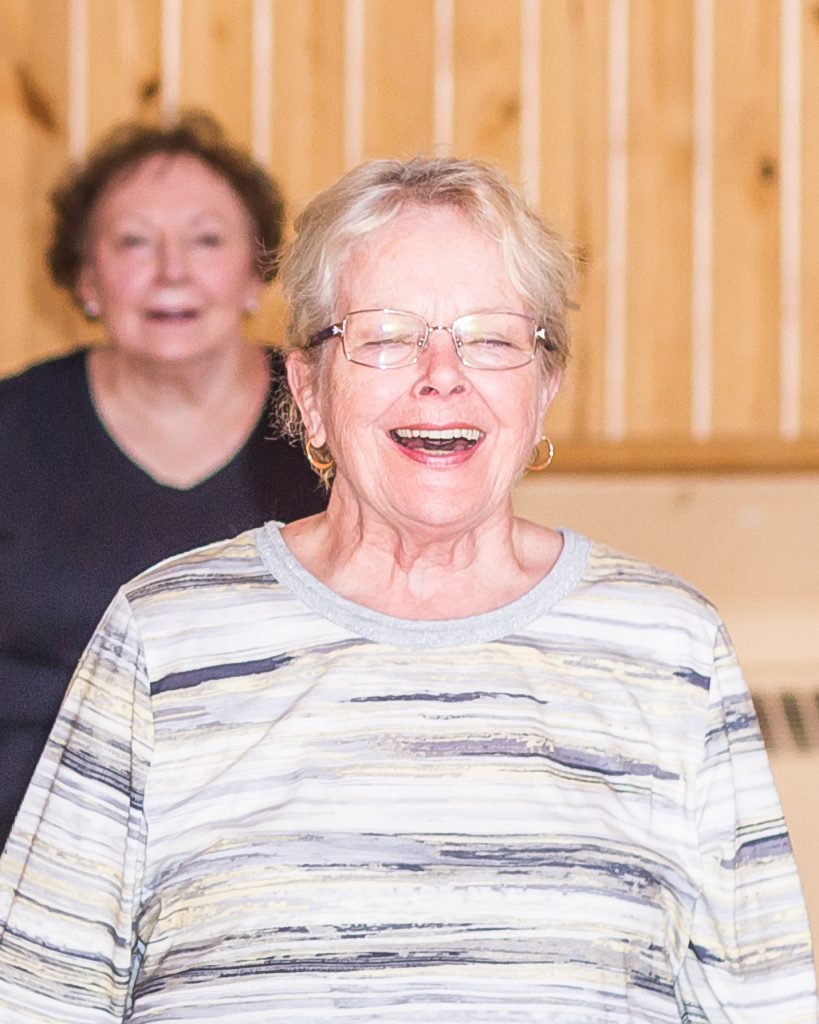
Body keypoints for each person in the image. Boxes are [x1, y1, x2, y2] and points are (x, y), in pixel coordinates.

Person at [0, 155, 815, 1023]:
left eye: (490, 338)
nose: (440, 374)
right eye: (385, 337)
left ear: (544, 388)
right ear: (308, 393)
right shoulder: (163, 632)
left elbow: (763, 998)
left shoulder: (667, 645)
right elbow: (41, 994)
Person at [0, 113, 326, 850]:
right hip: (28, 850)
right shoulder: (12, 426)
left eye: (206, 240)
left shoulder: (337, 424)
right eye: (134, 242)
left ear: (256, 273)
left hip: (272, 854)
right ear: (87, 278)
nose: (172, 271)